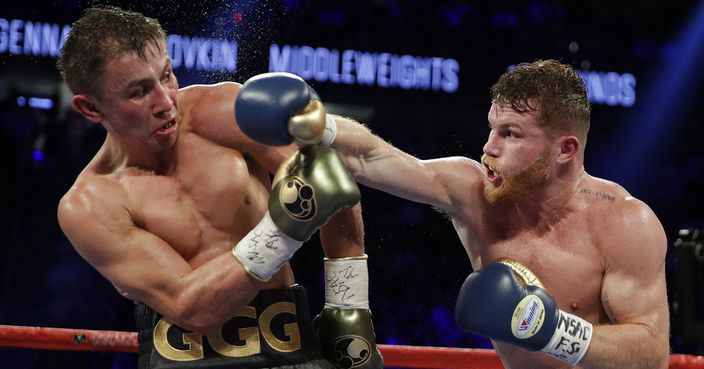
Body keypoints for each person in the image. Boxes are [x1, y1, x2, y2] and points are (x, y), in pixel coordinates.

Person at [234, 60, 670, 369]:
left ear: (566, 149)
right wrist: (315, 123)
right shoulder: (474, 191)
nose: (489, 147)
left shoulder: (625, 223)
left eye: (511, 134)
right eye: (491, 128)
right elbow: (372, 158)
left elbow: (650, 354)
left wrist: (552, 330)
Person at [55, 5, 382, 369]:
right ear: (89, 108)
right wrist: (288, 224)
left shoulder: (222, 112)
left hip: (291, 349)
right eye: (139, 91)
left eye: (166, 76)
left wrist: (347, 306)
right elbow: (191, 308)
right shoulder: (89, 204)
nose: (165, 103)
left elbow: (326, 177)